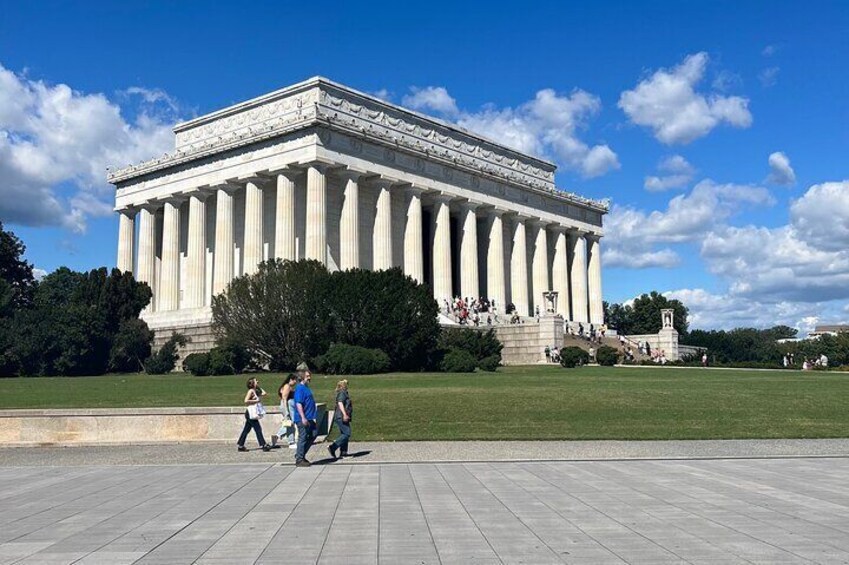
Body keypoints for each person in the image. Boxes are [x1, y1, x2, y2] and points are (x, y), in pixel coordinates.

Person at [237, 377, 272, 452]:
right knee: (258, 429)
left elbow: (264, 393)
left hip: (252, 413)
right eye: (256, 381)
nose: (258, 381)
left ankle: (240, 445)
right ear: (252, 383)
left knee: (246, 429)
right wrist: (255, 401)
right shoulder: (250, 391)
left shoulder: (255, 391)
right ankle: (263, 445)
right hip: (250, 413)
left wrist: (258, 386)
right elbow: (245, 400)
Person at [293, 364, 317, 467]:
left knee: (314, 434)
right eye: (307, 376)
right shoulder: (300, 388)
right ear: (302, 377)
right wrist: (303, 417)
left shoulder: (306, 388)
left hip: (310, 417)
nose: (309, 378)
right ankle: (299, 459)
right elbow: (298, 403)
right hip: (303, 418)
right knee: (302, 437)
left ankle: (300, 454)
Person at [328, 379, 353, 459]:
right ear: (343, 385)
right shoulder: (342, 393)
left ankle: (343, 452)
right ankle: (333, 447)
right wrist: (345, 414)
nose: (347, 386)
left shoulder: (343, 393)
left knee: (344, 433)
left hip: (342, 416)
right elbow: (340, 403)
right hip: (341, 416)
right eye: (346, 384)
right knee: (347, 433)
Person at [274, 374, 298, 449]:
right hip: (286, 406)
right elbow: (284, 399)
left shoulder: (288, 386)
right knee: (290, 423)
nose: (295, 382)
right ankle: (291, 442)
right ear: (291, 379)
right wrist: (286, 411)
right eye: (295, 380)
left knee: (289, 423)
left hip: (288, 406)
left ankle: (277, 436)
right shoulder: (287, 386)